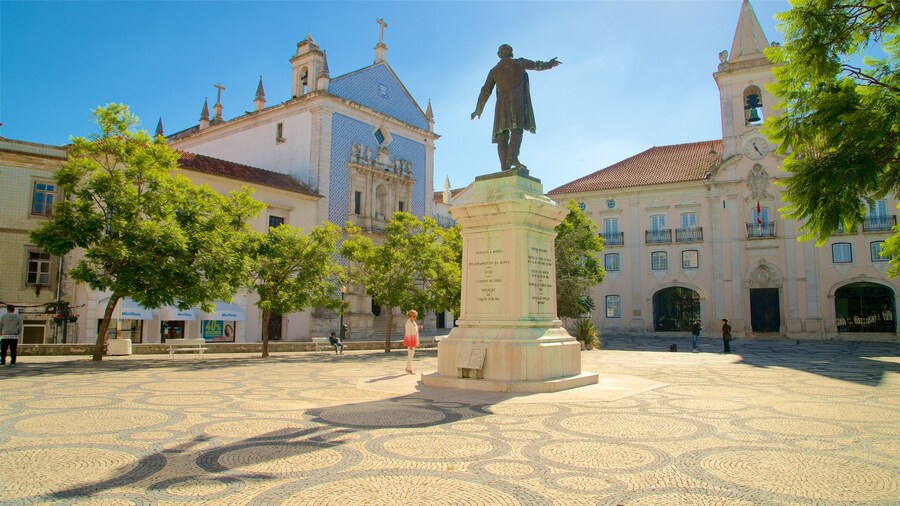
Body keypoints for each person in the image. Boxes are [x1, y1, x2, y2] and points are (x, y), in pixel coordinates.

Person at [471, 44, 562, 172]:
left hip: (501, 105)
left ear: (500, 54)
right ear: (511, 52)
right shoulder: (519, 63)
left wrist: (478, 109)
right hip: (516, 102)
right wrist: (550, 64)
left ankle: (505, 166)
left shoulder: (494, 70)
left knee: (502, 134)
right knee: (517, 130)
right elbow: (537, 65)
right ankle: (512, 157)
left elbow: (485, 91)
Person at [403, 309, 421, 374]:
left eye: (415, 316)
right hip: (410, 341)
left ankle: (408, 368)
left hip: (414, 340)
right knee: (410, 355)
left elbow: (416, 332)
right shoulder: (408, 324)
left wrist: (417, 342)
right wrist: (410, 344)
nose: (415, 317)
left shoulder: (413, 322)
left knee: (411, 354)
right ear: (409, 316)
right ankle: (409, 369)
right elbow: (408, 334)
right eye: (413, 316)